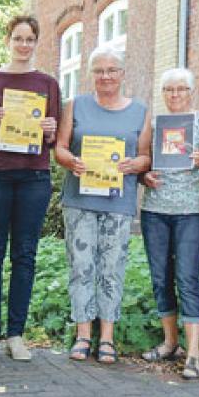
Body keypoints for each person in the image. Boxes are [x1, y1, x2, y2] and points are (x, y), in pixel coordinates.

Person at [0, 16, 61, 361]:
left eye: (30, 39)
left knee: (25, 255)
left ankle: (16, 335)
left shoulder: (47, 84)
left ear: (36, 43)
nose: (24, 45)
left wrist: (50, 129)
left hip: (33, 177)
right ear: (7, 40)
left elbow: (53, 137)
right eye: (18, 38)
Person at [54, 46, 151, 364]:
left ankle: (106, 337)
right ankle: (83, 334)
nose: (105, 76)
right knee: (81, 267)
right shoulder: (75, 105)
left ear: (123, 73)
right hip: (79, 200)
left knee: (112, 268)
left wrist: (132, 165)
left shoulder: (140, 111)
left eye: (111, 70)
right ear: (91, 74)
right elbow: (60, 149)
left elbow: (146, 157)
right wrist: (73, 162)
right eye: (98, 70)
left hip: (117, 202)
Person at [139, 68, 199, 379]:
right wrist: (144, 175)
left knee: (187, 276)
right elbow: (142, 159)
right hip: (155, 210)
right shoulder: (155, 123)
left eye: (180, 89)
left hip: (193, 211)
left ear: (191, 91)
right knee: (161, 277)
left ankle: (194, 353)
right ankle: (170, 342)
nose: (174, 95)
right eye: (169, 90)